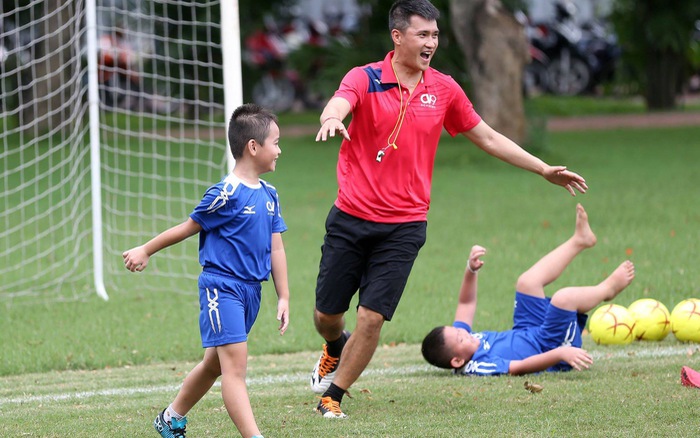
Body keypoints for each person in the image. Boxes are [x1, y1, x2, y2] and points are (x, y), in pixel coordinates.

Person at [309, 0, 588, 418]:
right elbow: (340, 101)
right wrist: (331, 118)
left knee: (372, 317)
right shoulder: (364, 78)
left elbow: (488, 138)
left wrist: (542, 168)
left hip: (405, 225)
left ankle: (332, 396)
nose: (431, 43)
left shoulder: (443, 89)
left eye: (436, 35)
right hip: (351, 217)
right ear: (397, 36)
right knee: (327, 315)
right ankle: (334, 345)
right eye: (423, 34)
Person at [122, 103, 289, 438]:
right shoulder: (226, 194)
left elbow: (276, 248)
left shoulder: (270, 195)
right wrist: (145, 249)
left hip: (250, 292)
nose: (280, 150)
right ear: (252, 147)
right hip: (221, 289)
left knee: (215, 363)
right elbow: (188, 227)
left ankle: (171, 418)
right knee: (234, 369)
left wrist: (283, 295)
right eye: (275, 142)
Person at [421, 204, 636, 376]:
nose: (464, 334)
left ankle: (580, 240)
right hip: (549, 346)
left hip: (527, 329)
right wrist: (560, 352)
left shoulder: (465, 340)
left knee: (527, 282)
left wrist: (470, 270)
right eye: (460, 339)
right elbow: (519, 367)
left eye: (459, 331)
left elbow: (465, 304)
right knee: (563, 298)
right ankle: (607, 289)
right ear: (457, 361)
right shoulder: (479, 365)